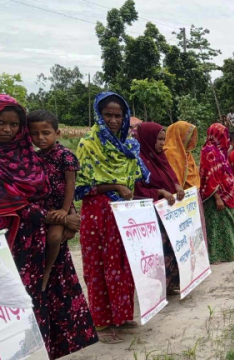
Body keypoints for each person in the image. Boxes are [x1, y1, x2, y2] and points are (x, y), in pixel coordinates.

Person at [0, 95, 99, 357]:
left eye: (13, 125)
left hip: (40, 240)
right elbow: (17, 205)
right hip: (10, 244)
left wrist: (69, 213)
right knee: (13, 304)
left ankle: (43, 351)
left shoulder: (28, 155)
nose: (8, 130)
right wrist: (62, 218)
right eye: (1, 123)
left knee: (44, 298)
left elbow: (63, 187)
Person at [75, 92, 150, 344]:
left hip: (124, 213)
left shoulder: (128, 146)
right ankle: (101, 322)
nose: (113, 120)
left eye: (118, 115)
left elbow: (137, 177)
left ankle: (122, 315)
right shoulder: (88, 144)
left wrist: (123, 188)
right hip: (98, 212)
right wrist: (115, 186)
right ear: (99, 115)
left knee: (122, 264)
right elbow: (82, 186)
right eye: (108, 115)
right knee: (99, 266)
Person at [27, 110, 79, 291]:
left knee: (55, 237)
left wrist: (66, 210)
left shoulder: (66, 155)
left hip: (59, 206)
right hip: (43, 206)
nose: (40, 138)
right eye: (35, 133)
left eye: (46, 133)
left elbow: (71, 184)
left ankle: (47, 271)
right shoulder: (35, 157)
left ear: (57, 133)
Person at [133, 122, 185, 294]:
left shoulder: (161, 157)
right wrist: (160, 192)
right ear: (148, 139)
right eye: (158, 139)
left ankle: (172, 284)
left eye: (163, 139)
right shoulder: (139, 160)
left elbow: (170, 176)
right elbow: (137, 188)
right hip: (152, 215)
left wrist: (177, 186)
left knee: (172, 247)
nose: (162, 143)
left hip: (168, 213)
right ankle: (159, 288)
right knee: (159, 251)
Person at [200, 123, 234, 263]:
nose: (227, 139)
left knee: (228, 224)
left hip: (226, 194)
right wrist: (217, 197)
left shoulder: (220, 150)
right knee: (215, 227)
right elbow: (209, 176)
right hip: (215, 196)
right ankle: (215, 256)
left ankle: (228, 254)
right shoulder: (209, 151)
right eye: (224, 136)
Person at [164, 121, 200, 190]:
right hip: (181, 196)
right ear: (179, 135)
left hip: (193, 194)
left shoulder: (187, 153)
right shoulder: (170, 153)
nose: (191, 139)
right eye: (188, 135)